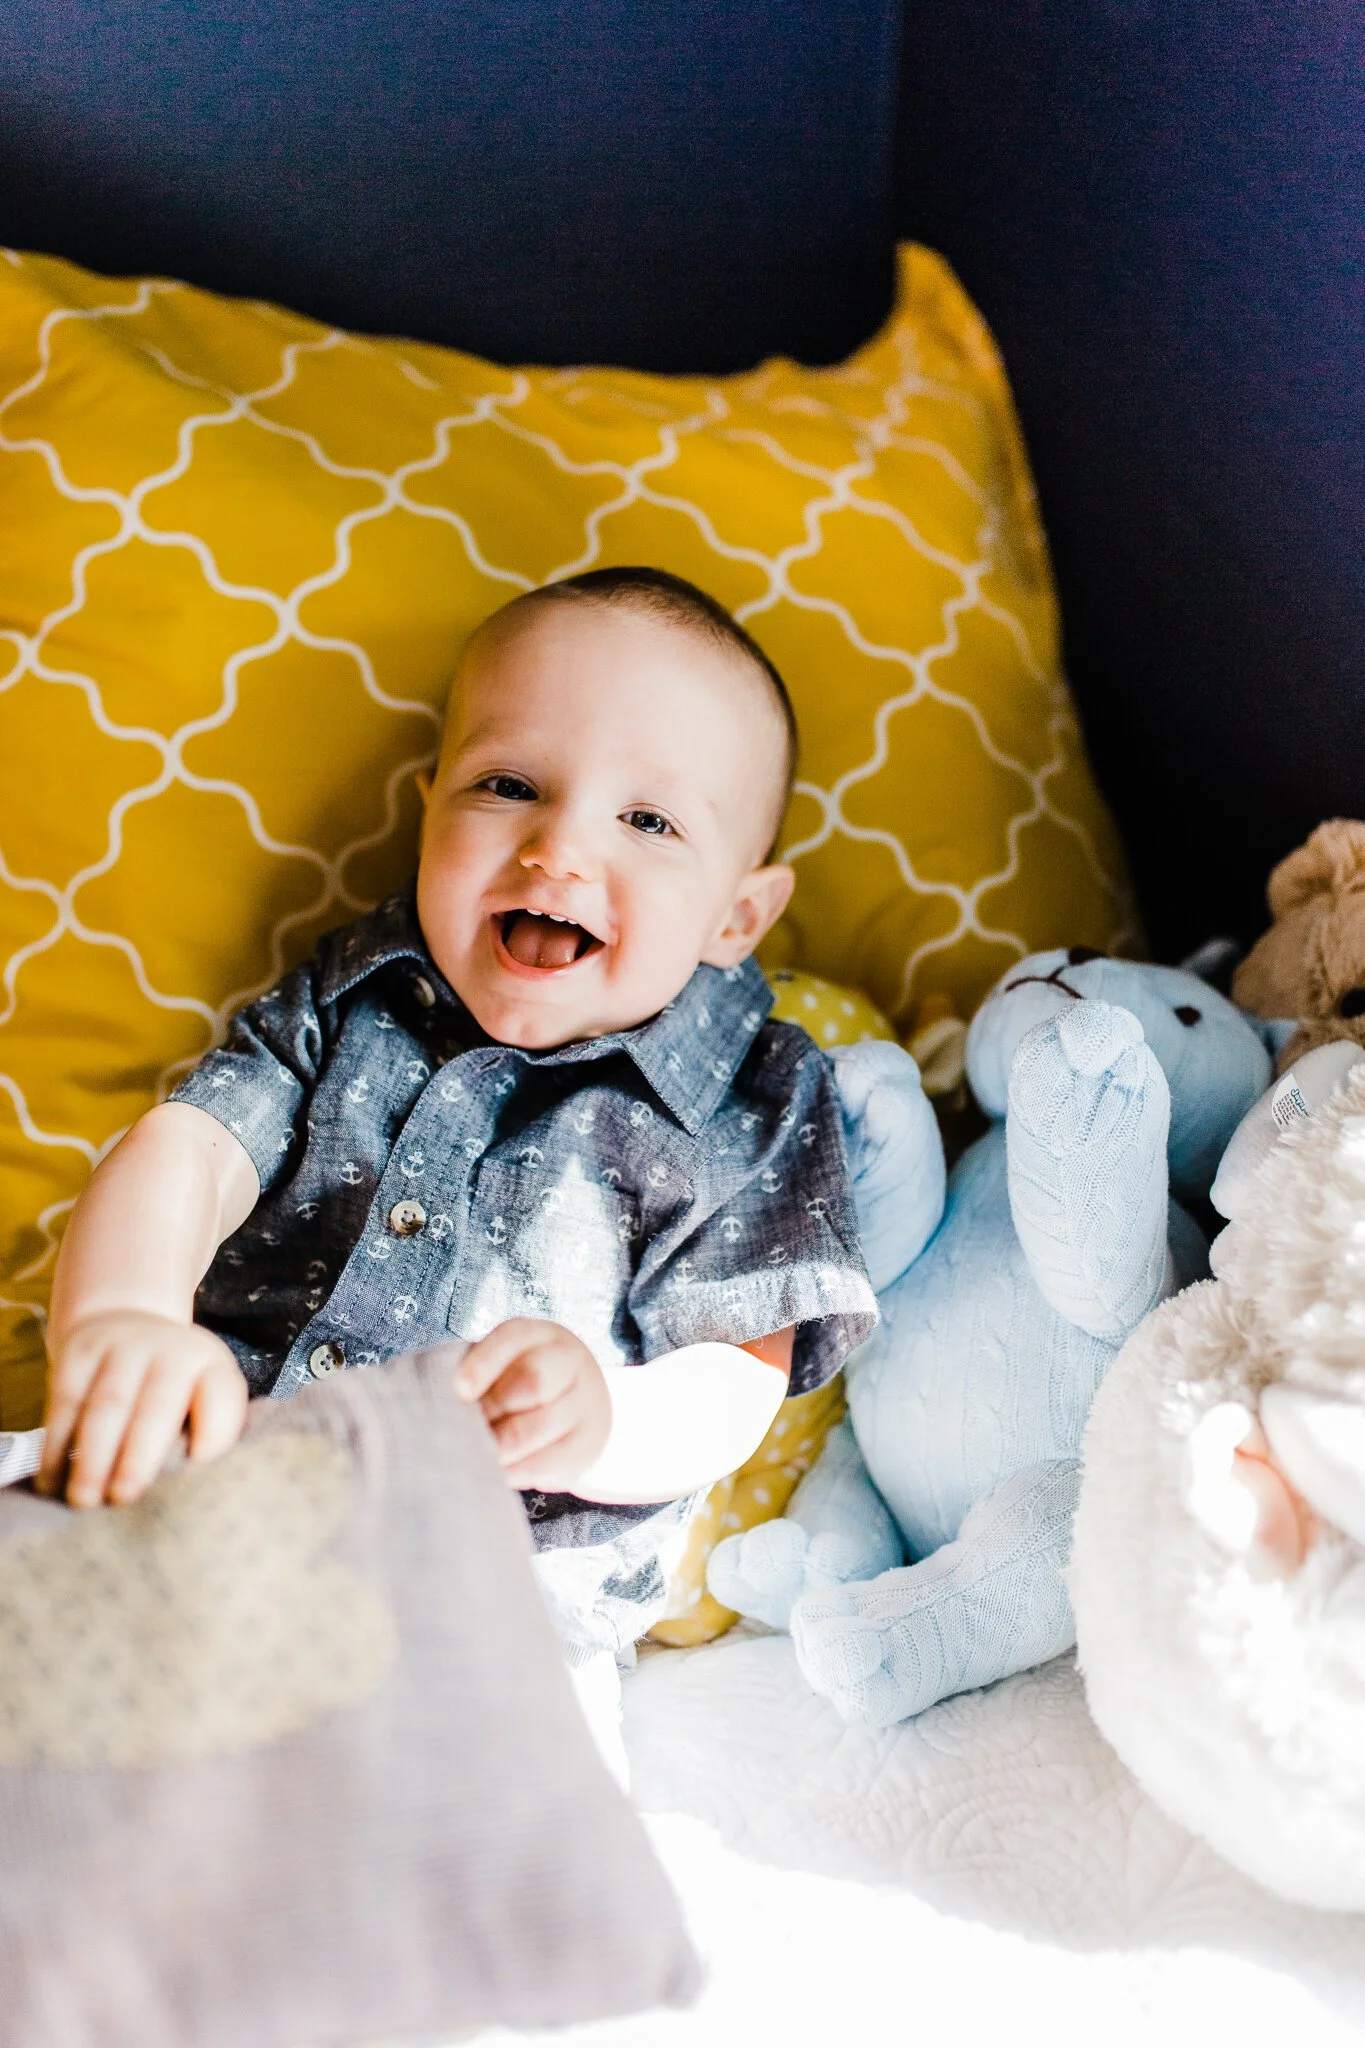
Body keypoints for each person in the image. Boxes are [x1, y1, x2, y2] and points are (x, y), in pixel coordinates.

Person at [37, 565, 877, 1678]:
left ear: (737, 914)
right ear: (428, 807)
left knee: (461, 1811)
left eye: (647, 818)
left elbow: (739, 1374)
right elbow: (188, 1150)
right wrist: (124, 1318)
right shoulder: (352, 998)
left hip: (489, 1596)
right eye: (509, 784)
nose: (559, 848)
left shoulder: (751, 1095)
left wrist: (607, 1421)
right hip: (203, 1485)